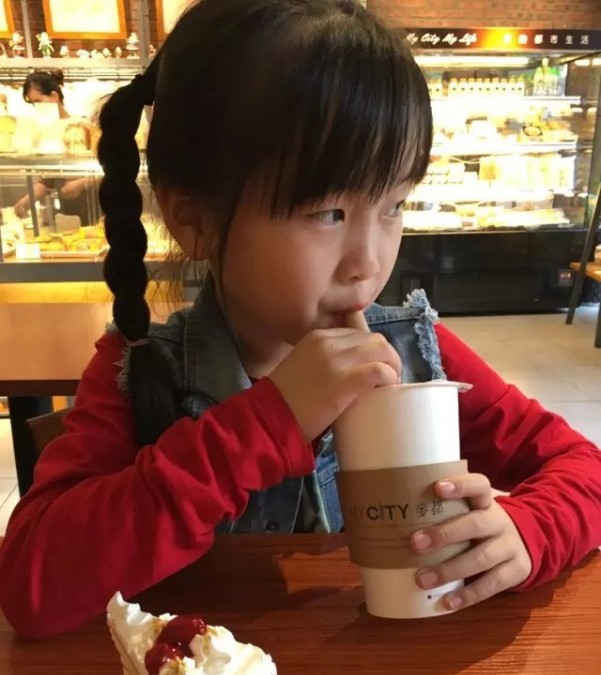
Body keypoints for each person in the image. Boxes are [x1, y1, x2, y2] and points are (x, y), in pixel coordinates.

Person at [0, 0, 600, 639]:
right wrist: (267, 423)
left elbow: (582, 468)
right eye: (327, 214)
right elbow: (33, 586)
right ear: (194, 220)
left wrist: (529, 530)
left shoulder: (413, 350)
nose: (368, 263)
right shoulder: (143, 373)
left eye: (394, 204)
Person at [13, 69, 97, 225]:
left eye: (38, 101)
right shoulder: (46, 132)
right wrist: (26, 201)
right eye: (32, 103)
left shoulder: (83, 126)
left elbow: (108, 168)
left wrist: (81, 183)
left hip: (94, 205)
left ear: (54, 96)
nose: (36, 107)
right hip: (64, 209)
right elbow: (48, 179)